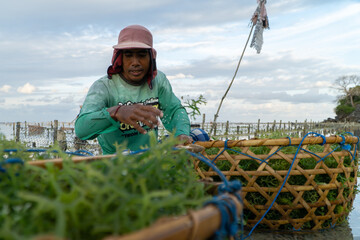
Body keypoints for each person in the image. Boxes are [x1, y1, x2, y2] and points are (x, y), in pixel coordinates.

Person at [75, 25, 192, 154]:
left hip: (151, 161)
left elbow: (174, 110)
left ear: (151, 57)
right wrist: (116, 112)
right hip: (114, 163)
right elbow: (82, 129)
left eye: (141, 55)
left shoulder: (158, 81)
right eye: (129, 56)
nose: (135, 62)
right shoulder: (104, 87)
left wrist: (181, 133)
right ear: (120, 59)